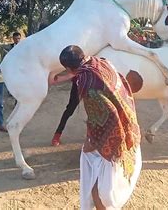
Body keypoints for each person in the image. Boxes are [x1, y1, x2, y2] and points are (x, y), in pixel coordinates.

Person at [59, 45, 141, 209]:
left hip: (116, 136)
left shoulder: (85, 81)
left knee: (97, 188)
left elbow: (106, 115)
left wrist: (93, 141)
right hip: (129, 125)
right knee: (99, 181)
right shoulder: (102, 62)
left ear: (68, 68)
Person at [50, 73, 78, 146]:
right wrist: (55, 79)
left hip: (91, 87)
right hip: (78, 86)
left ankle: (92, 137)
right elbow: (70, 74)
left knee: (92, 111)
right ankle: (57, 134)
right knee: (69, 110)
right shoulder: (80, 64)